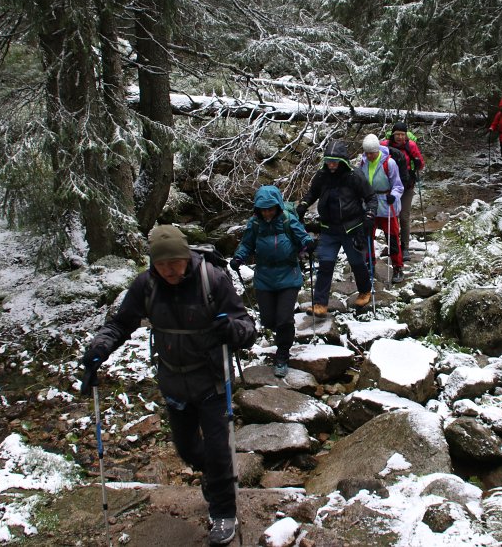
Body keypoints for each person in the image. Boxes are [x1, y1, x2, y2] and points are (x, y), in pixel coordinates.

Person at [81, 225, 256, 546]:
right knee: (188, 450)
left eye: (174, 263)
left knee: (218, 450)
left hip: (212, 381)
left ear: (185, 256)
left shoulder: (212, 280)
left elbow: (247, 327)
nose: (169, 271)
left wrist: (230, 330)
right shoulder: (147, 286)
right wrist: (99, 349)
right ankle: (216, 478)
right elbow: (121, 323)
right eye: (162, 265)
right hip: (174, 382)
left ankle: (223, 512)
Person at [230, 185, 315, 378]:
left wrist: (308, 243)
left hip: (288, 274)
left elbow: (301, 236)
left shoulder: (287, 219)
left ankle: (282, 354)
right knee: (269, 320)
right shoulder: (255, 224)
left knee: (284, 318)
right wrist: (238, 258)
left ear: (277, 206)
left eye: (270, 208)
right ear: (257, 209)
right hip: (265, 277)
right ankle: (283, 335)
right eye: (263, 209)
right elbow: (246, 244)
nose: (267, 212)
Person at [296, 140, 378, 316]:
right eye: (328, 160)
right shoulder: (322, 176)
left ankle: (365, 291)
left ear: (343, 161)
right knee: (325, 264)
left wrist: (370, 215)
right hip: (328, 228)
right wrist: (303, 204)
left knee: (357, 263)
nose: (331, 164)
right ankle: (320, 304)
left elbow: (371, 197)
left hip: (352, 227)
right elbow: (312, 193)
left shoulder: (354, 176)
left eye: (335, 161)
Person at [358, 133, 406, 284]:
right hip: (369, 204)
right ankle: (369, 264)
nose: (369, 156)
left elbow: (398, 185)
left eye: (372, 153)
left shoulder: (389, 163)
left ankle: (398, 267)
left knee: (392, 238)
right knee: (368, 236)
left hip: (387, 203)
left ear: (377, 150)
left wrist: (394, 195)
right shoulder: (363, 163)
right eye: (367, 153)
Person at [381, 121, 425, 260]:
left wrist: (418, 163)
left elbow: (421, 164)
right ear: (392, 135)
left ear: (406, 135)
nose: (400, 137)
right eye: (397, 134)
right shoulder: (384, 145)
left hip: (407, 185)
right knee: (389, 217)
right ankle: (392, 245)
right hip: (389, 186)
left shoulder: (410, 145)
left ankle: (404, 246)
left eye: (402, 134)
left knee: (404, 216)